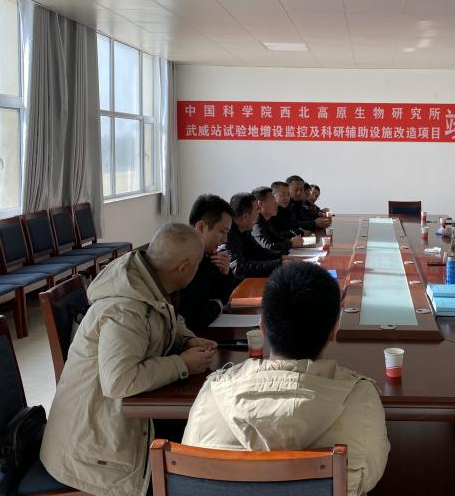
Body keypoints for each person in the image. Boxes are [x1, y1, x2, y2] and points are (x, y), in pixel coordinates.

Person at [183, 262, 390, 496]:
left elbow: (189, 475)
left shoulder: (212, 392)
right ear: (334, 331)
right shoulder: (361, 398)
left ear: (262, 329)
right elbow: (369, 477)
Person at [41, 224, 218, 496]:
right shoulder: (125, 310)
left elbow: (167, 318)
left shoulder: (146, 281)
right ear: (184, 268)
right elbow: (119, 381)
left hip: (110, 423)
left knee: (195, 438)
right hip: (90, 453)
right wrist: (182, 364)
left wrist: (187, 339)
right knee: (191, 474)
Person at [177, 193, 236, 330]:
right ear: (201, 227)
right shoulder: (182, 260)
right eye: (222, 231)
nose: (225, 240)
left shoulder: (207, 255)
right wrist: (216, 306)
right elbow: (191, 318)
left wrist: (225, 273)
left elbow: (221, 298)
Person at [226, 191, 283, 279]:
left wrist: (282, 257)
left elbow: (259, 252)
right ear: (245, 216)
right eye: (257, 209)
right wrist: (278, 264)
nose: (259, 213)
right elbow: (239, 268)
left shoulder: (244, 229)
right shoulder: (227, 234)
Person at [252, 185, 304, 254]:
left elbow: (277, 238)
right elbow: (268, 248)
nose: (276, 203)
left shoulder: (265, 220)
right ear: (261, 204)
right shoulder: (256, 222)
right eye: (273, 200)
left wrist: (293, 241)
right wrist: (291, 243)